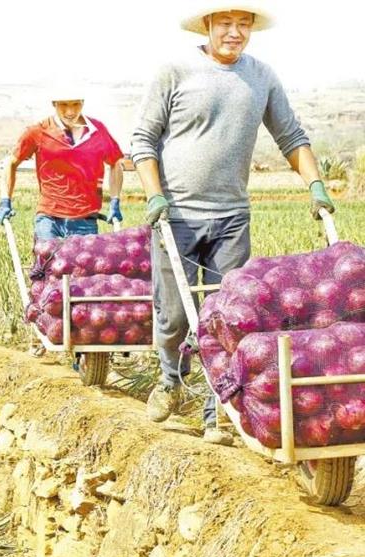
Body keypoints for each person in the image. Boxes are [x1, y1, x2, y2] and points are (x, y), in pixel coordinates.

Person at [130, 3, 335, 445]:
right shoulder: (174, 72)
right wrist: (154, 194)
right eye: (225, 23)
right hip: (176, 215)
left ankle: (216, 413)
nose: (235, 32)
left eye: (244, 24)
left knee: (228, 319)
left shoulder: (261, 76)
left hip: (232, 218)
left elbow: (291, 136)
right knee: (174, 315)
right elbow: (143, 139)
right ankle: (170, 379)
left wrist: (315, 185)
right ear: (207, 24)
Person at [0, 86, 125, 238]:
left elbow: (115, 163)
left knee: (84, 255)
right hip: (49, 218)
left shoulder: (97, 130)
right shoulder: (38, 131)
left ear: (82, 102)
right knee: (47, 253)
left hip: (86, 220)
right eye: (64, 104)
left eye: (75, 104)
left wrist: (115, 201)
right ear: (54, 104)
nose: (70, 112)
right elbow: (11, 163)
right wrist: (5, 200)